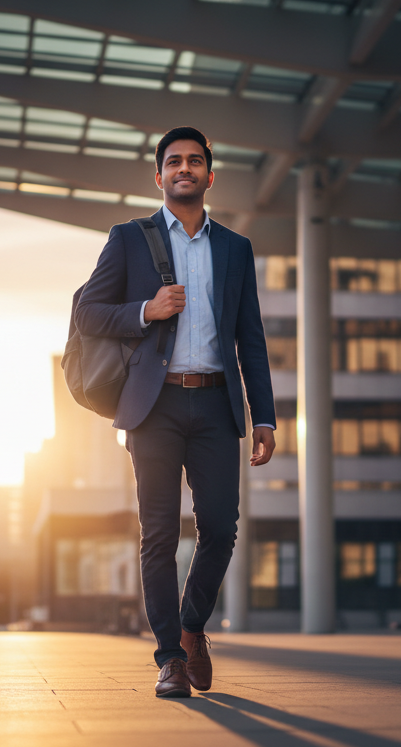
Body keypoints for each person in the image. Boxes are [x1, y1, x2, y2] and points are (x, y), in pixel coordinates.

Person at [75, 126, 276, 698]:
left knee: (220, 528)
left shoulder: (235, 248)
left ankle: (191, 629)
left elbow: (251, 337)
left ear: (210, 175)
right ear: (159, 175)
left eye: (193, 161)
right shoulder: (128, 239)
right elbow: (88, 312)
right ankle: (168, 659)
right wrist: (146, 309)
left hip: (216, 402)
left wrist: (264, 416)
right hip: (154, 404)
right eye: (173, 161)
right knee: (159, 534)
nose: (183, 168)